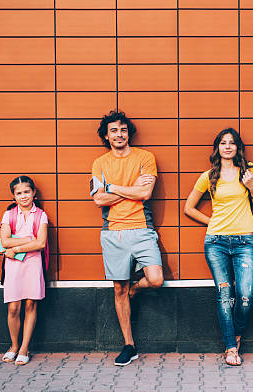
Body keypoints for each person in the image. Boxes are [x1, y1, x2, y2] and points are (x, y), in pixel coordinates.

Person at [184, 128, 253, 366]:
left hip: (244, 241)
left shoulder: (248, 172)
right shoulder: (208, 176)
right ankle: (231, 347)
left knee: (246, 296)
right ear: (217, 147)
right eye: (223, 143)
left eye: (232, 143)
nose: (227, 146)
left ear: (238, 147)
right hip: (216, 242)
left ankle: (235, 335)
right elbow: (189, 207)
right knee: (224, 296)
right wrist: (213, 222)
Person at [90, 110, 164, 366]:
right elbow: (98, 199)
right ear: (106, 136)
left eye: (122, 129)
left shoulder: (145, 157)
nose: (118, 134)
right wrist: (131, 190)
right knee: (118, 289)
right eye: (113, 130)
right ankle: (129, 345)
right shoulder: (100, 163)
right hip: (113, 232)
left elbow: (146, 194)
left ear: (128, 132)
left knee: (155, 279)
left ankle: (136, 288)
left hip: (142, 229)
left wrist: (111, 187)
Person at [0, 176, 49, 366]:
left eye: (27, 192)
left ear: (34, 193)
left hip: (33, 263)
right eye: (19, 193)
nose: (23, 196)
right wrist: (29, 239)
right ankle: (13, 345)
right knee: (13, 307)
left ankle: (24, 348)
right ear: (13, 196)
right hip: (13, 264)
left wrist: (17, 247)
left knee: (30, 305)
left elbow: (41, 243)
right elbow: (5, 241)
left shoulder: (41, 215)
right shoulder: (9, 215)